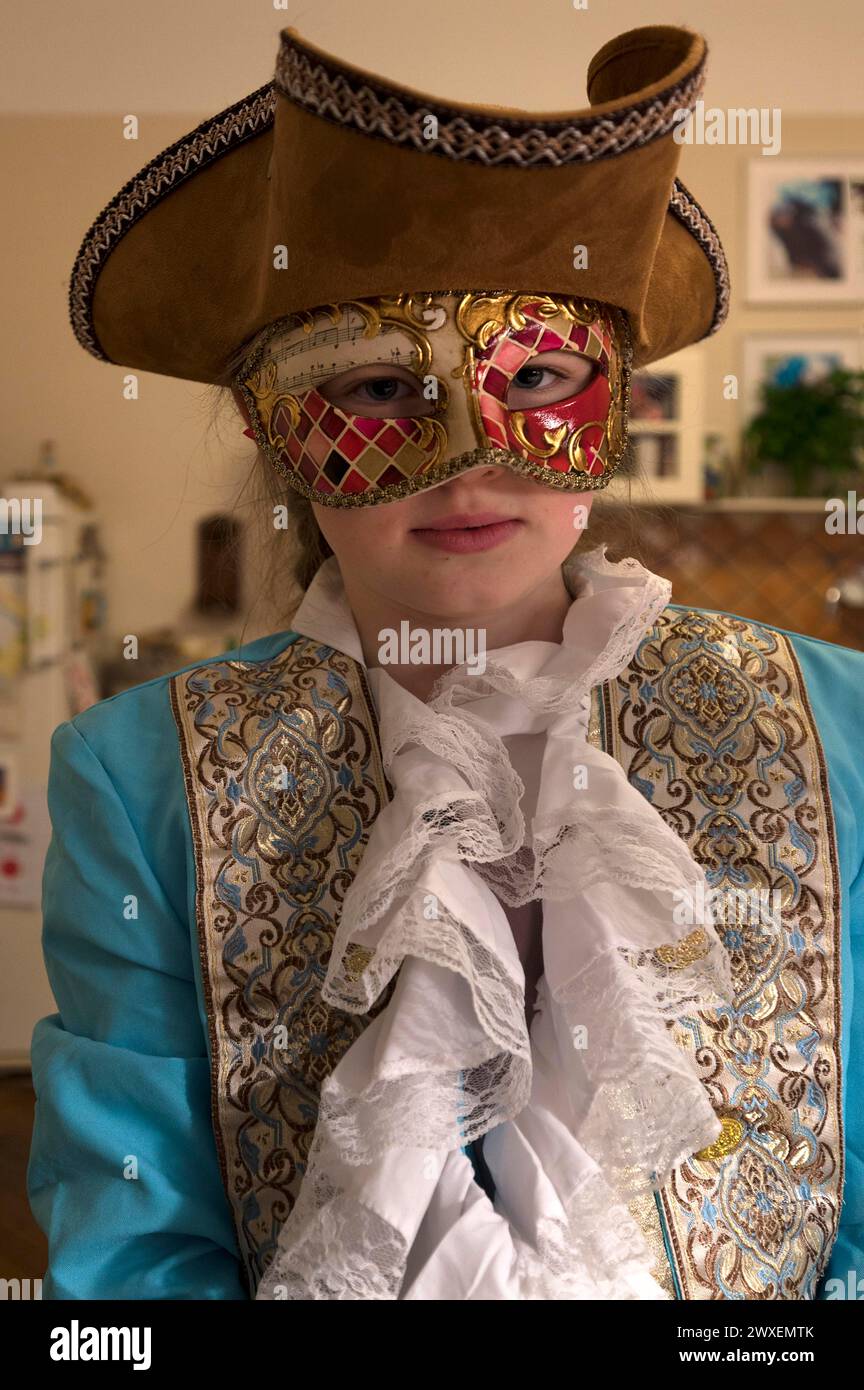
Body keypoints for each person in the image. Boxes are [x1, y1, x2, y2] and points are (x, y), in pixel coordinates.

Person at [27, 22, 863, 1300]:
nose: (475, 455)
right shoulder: (136, 776)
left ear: (616, 400)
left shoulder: (829, 722)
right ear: (274, 427)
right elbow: (129, 1249)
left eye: (539, 376)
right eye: (374, 391)